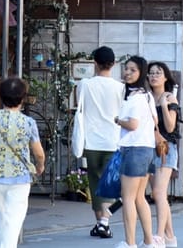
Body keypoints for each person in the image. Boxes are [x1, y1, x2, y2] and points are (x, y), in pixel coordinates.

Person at [0, 76, 46, 248]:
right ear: (22, 98)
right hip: (20, 178)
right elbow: (39, 153)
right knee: (13, 220)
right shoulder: (28, 122)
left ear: (1, 96)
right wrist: (40, 165)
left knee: (1, 218)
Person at [77, 46, 124, 239]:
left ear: (94, 63)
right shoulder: (120, 87)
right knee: (111, 185)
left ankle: (101, 223)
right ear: (113, 64)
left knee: (95, 183)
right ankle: (104, 222)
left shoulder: (85, 84)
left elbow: (78, 106)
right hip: (113, 140)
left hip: (91, 141)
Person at [112, 56, 159, 248]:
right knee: (140, 197)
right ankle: (149, 241)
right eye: (126, 69)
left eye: (133, 70)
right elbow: (155, 121)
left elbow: (132, 124)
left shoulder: (134, 98)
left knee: (129, 198)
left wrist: (117, 120)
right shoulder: (147, 95)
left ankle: (130, 243)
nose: (127, 73)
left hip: (134, 149)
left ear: (141, 73)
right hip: (147, 149)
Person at [148, 61, 181, 248]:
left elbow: (170, 127)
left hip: (166, 148)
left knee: (158, 192)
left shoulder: (170, 98)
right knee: (160, 196)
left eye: (158, 73)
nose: (153, 76)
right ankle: (170, 237)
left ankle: (159, 236)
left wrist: (162, 104)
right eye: (151, 73)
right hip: (148, 146)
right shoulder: (145, 97)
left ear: (165, 77)